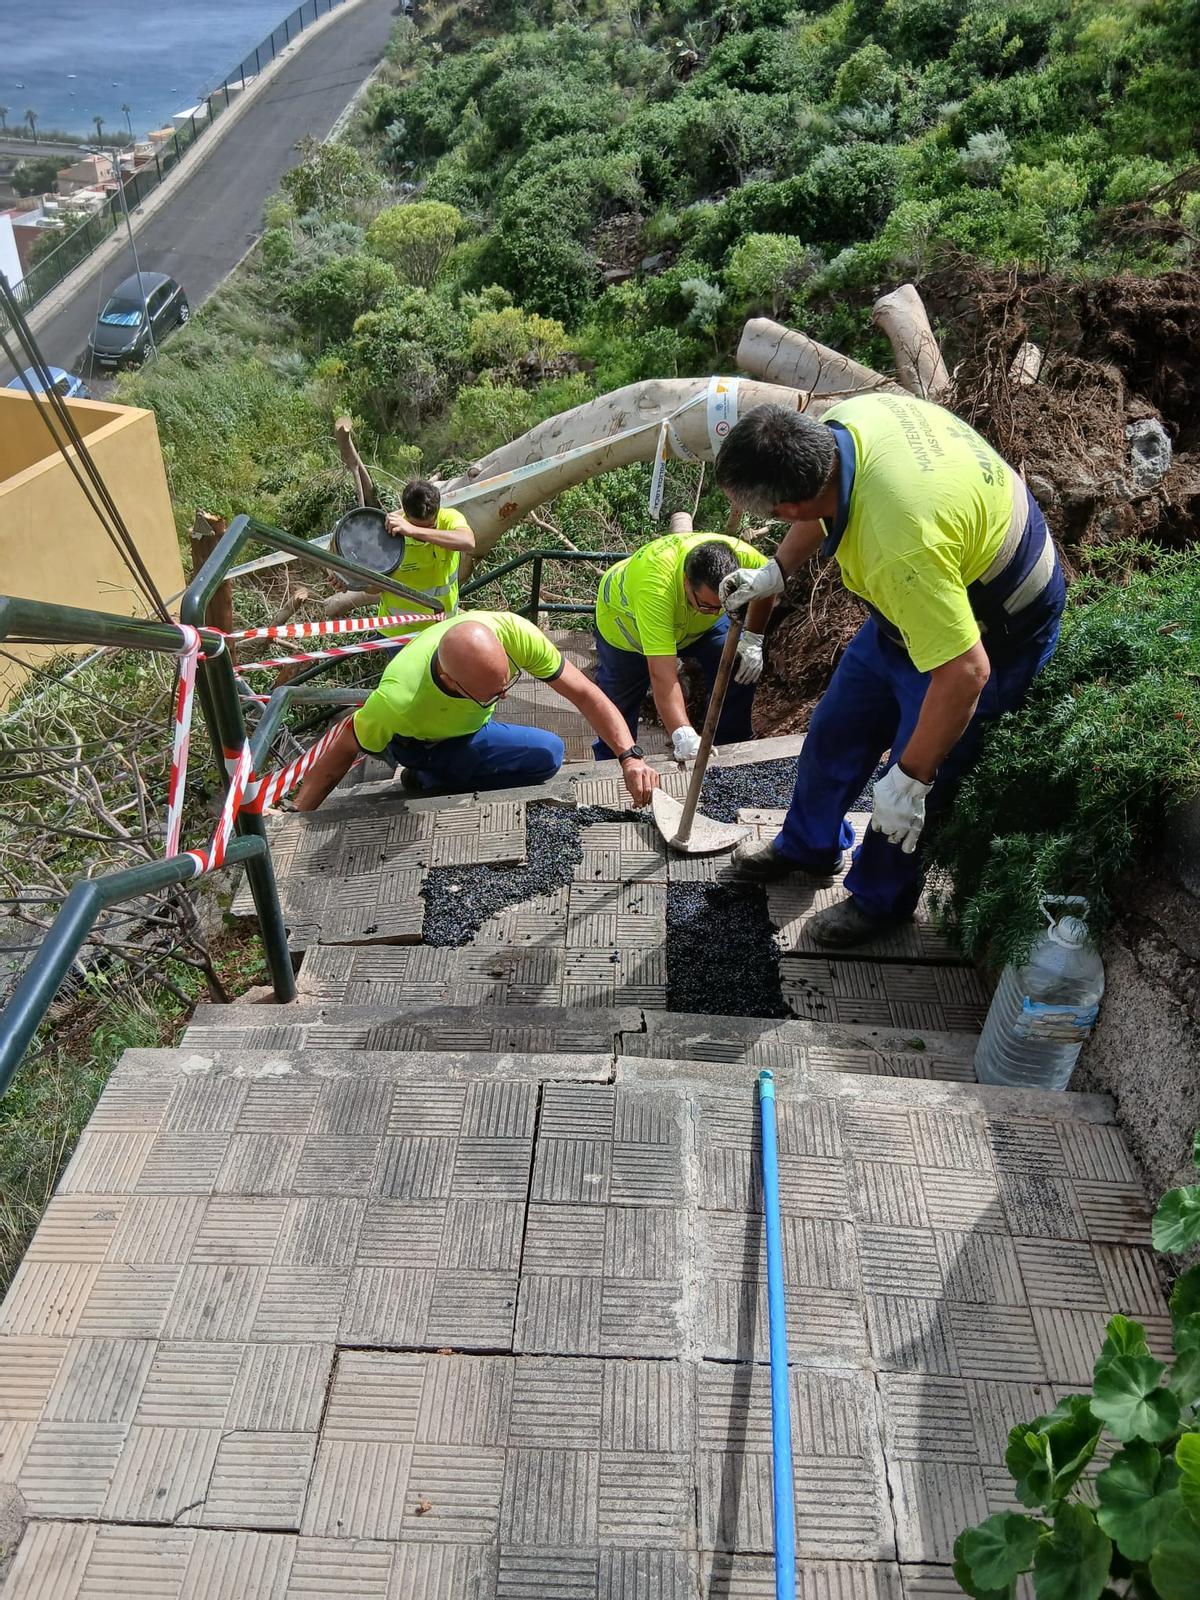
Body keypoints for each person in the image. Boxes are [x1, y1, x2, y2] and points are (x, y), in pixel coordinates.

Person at [714, 392, 1065, 947]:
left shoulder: (898, 547)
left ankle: (881, 900)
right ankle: (807, 845)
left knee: (913, 780)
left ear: (788, 507)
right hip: (922, 601)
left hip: (994, 625)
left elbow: (966, 673)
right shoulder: (838, 431)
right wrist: (776, 571)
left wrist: (910, 779)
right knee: (834, 730)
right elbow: (819, 507)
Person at [295, 611, 659, 810]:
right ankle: (426, 777)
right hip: (418, 740)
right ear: (452, 683)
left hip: (466, 724)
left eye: (506, 685)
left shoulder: (516, 633)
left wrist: (630, 757)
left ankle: (442, 770)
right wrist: (300, 813)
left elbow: (585, 693)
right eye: (490, 695)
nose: (503, 698)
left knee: (550, 754)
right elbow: (346, 741)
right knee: (437, 764)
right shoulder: (396, 701)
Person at [592, 530, 775, 761]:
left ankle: (730, 746)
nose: (718, 612)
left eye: (725, 605)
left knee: (737, 664)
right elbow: (663, 676)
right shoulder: (654, 589)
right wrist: (683, 734)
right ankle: (614, 765)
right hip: (627, 632)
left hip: (695, 627)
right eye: (709, 605)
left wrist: (753, 638)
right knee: (617, 709)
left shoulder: (744, 558)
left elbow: (768, 586)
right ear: (687, 582)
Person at [375, 478, 474, 635]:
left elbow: (468, 541)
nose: (424, 533)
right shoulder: (388, 536)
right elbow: (373, 588)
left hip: (443, 627)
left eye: (431, 526)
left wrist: (414, 530)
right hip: (400, 635)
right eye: (416, 525)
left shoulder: (449, 518)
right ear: (406, 514)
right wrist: (347, 581)